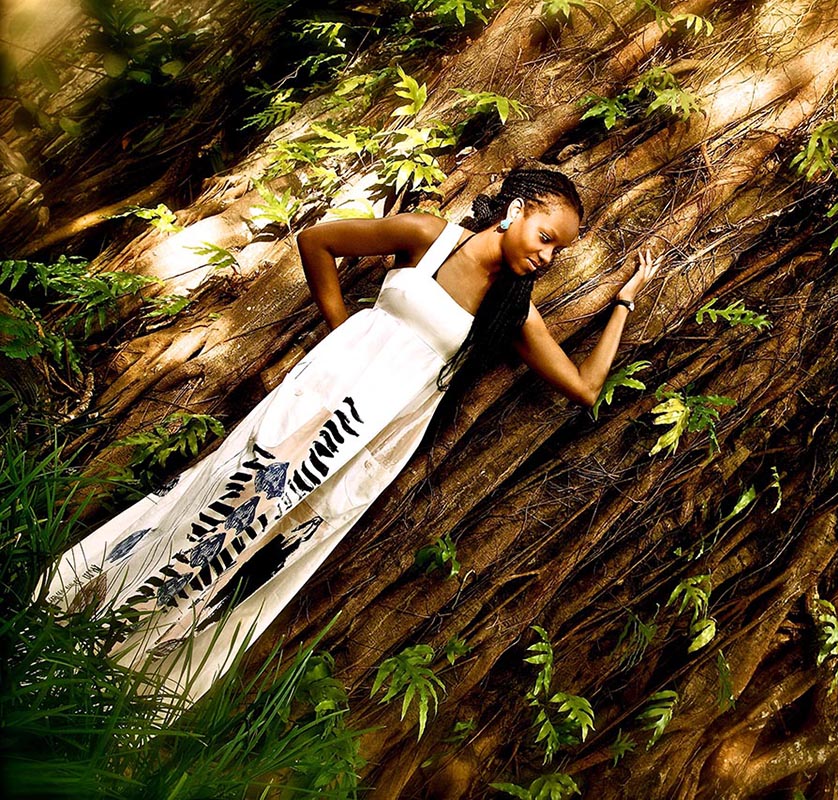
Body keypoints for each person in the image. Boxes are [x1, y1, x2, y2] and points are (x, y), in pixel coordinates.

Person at [45, 168, 659, 705]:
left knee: (276, 546)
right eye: (546, 237)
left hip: (375, 438)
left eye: (559, 252)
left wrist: (623, 304)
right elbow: (317, 240)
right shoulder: (428, 236)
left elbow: (583, 388)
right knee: (224, 499)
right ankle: (82, 609)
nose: (547, 257)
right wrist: (343, 332)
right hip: (321, 399)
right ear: (515, 211)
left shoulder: (513, 310)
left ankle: (136, 674)